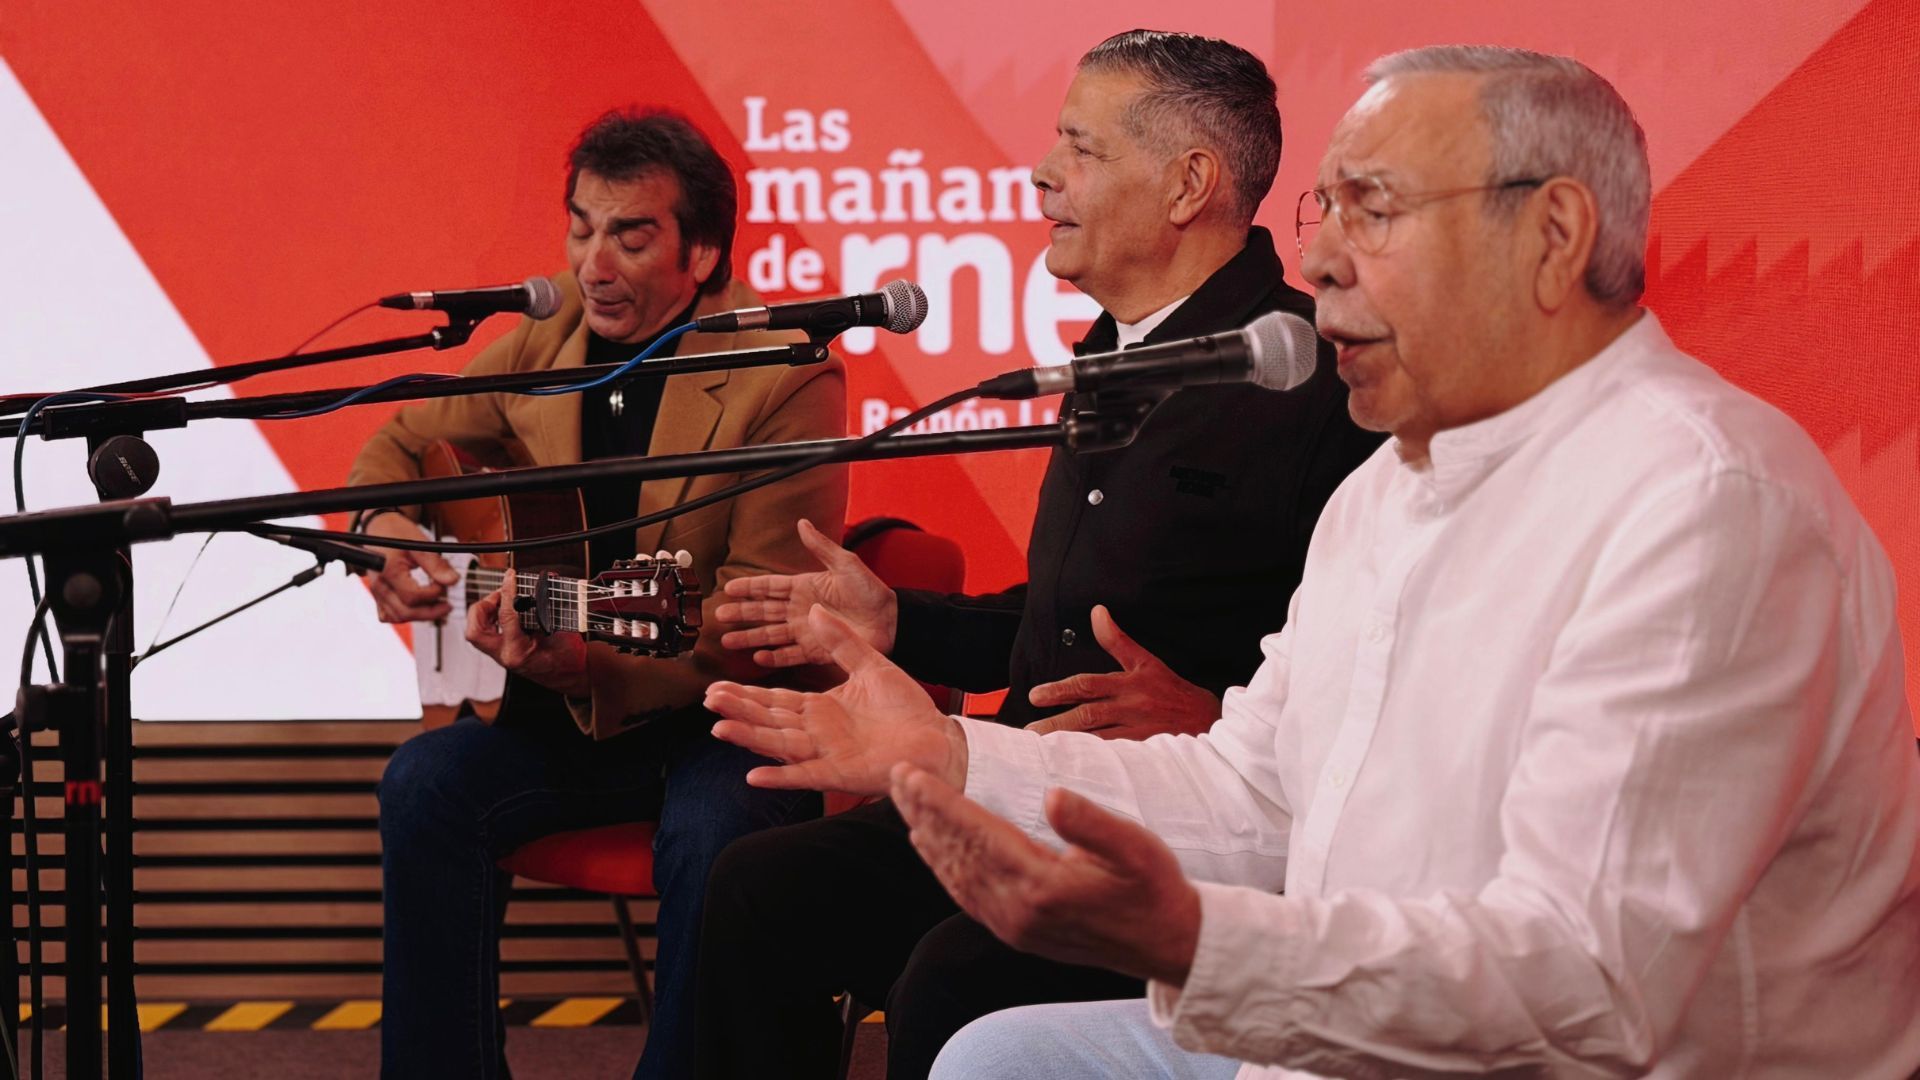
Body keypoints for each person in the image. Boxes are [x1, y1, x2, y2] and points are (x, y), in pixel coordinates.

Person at [704, 45, 1920, 1079]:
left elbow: (1585, 983)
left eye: (1373, 210)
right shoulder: (1391, 490)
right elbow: (1257, 795)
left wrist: (1201, 945)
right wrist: (951, 754)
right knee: (995, 1058)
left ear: (1553, 236)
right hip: (1349, 1033)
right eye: (1323, 212)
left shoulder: (1701, 503)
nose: (1324, 259)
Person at [694, 30, 1382, 1080]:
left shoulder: (1315, 383)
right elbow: (1069, 618)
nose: (1042, 175)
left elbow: (1360, 655)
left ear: (1188, 183)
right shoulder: (1106, 355)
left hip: (1177, 830)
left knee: (951, 980)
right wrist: (899, 622)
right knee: (759, 889)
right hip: (1021, 780)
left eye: (1081, 148)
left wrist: (1219, 714)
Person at [349, 109, 847, 1079]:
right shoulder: (550, 337)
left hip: (725, 719)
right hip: (571, 723)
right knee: (424, 785)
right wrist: (385, 527)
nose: (593, 264)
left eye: (631, 235)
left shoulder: (784, 372)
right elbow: (400, 440)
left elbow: (759, 616)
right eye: (582, 228)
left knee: (716, 831)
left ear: (702, 252)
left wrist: (589, 662)